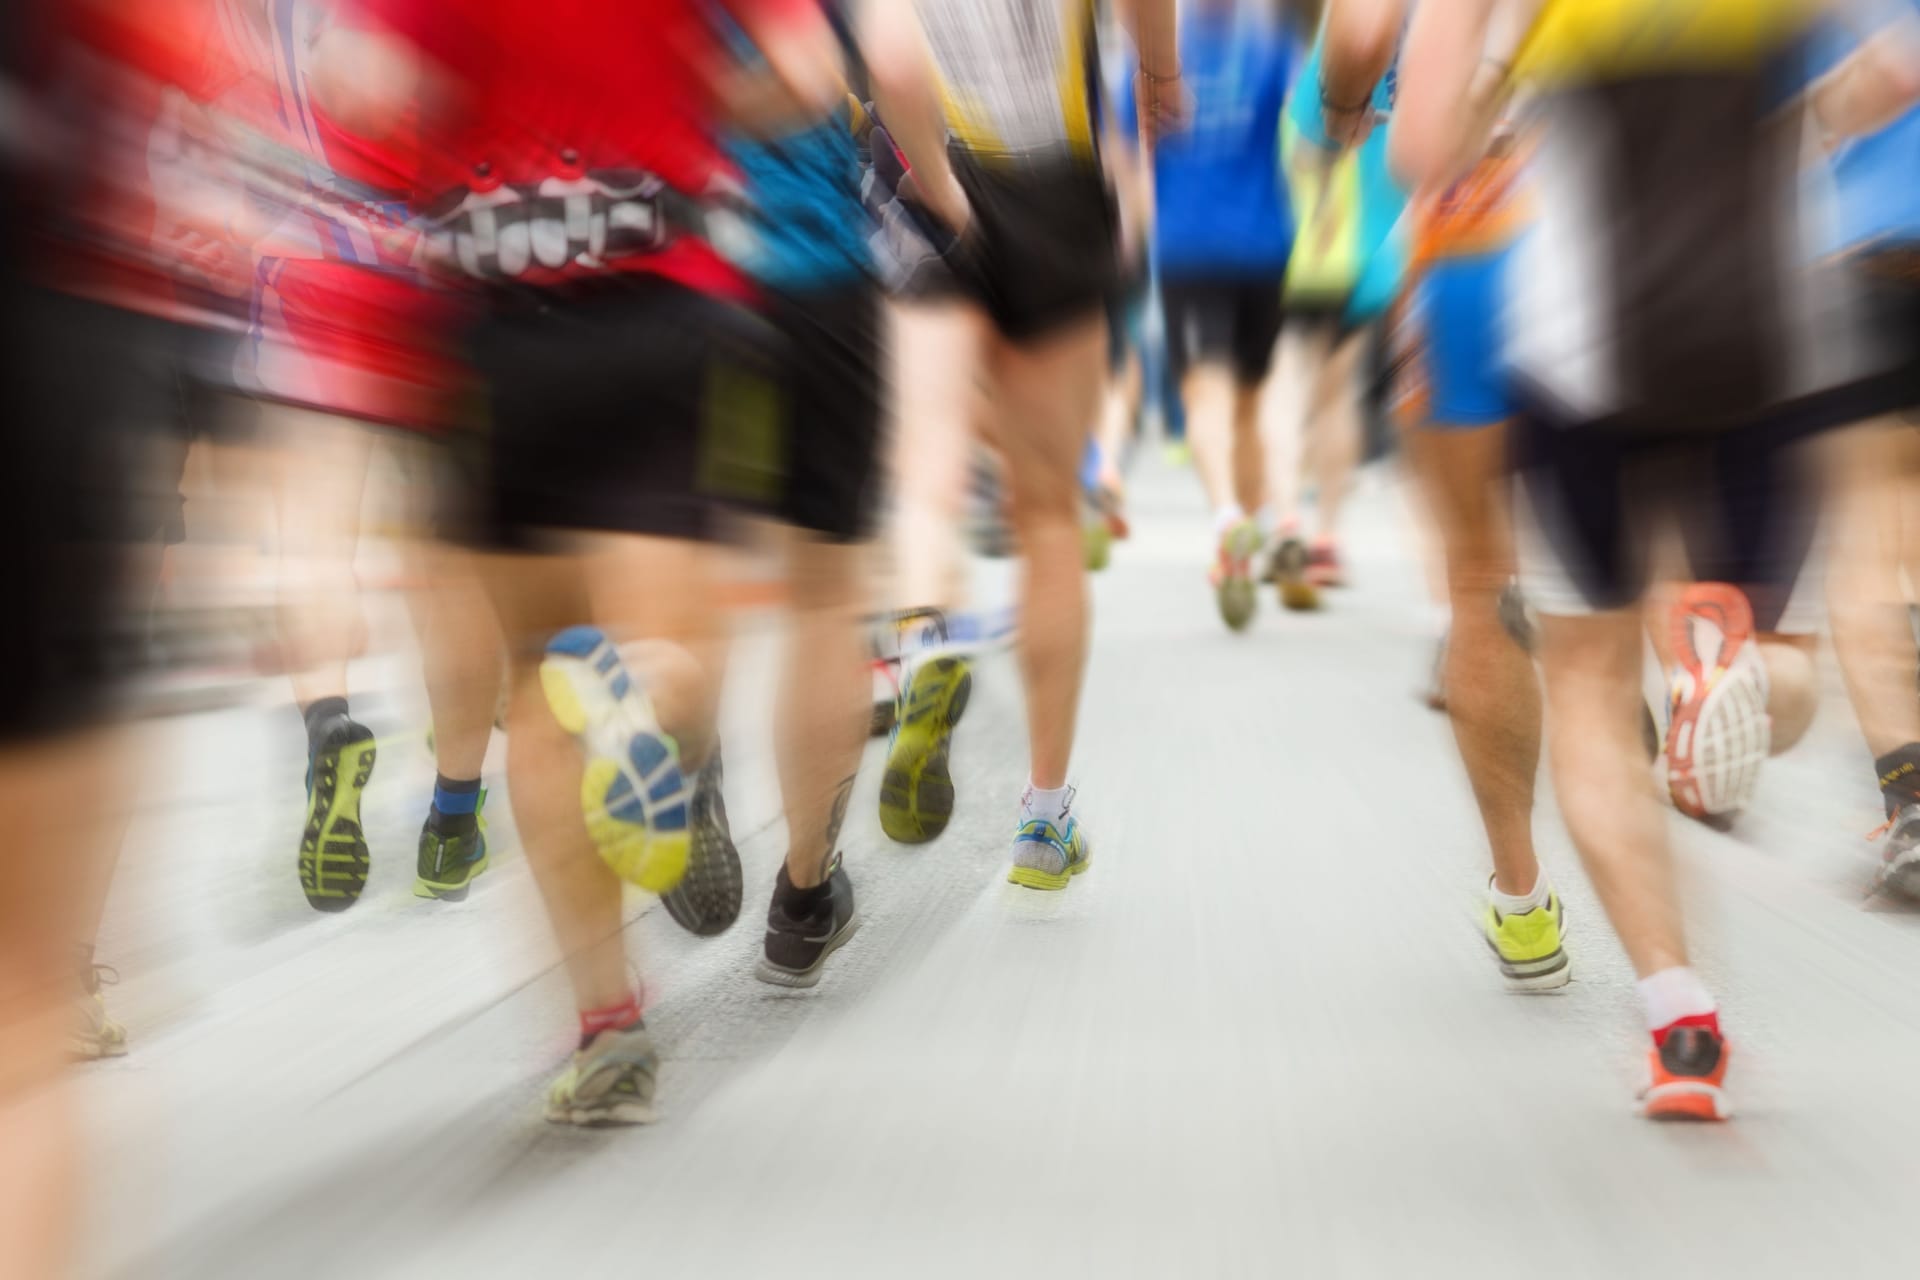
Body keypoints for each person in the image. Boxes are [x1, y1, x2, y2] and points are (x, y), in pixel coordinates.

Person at [332, 0, 850, 1125]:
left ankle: (606, 1028)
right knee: (669, 657)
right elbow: (808, 75)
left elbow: (356, 84)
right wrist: (686, 100)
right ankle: (647, 691)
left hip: (491, 321)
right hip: (658, 289)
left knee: (537, 684)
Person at [1394, 0, 1912, 1121]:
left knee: (1584, 685)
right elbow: (1885, 87)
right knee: (1781, 663)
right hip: (1772, 345)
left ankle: (1683, 1020)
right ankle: (1717, 669)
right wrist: (1813, 115)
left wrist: (1498, 70)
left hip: (1581, 356)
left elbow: (1421, 145)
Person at [1122, 0, 1296, 630]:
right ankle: (1241, 554)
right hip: (1264, 245)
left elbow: (1129, 158)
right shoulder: (1269, 46)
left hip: (1191, 248)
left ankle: (1227, 516)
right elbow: (1305, 130)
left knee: (1206, 397)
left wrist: (1134, 239)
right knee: (1248, 405)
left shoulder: (1153, 51)